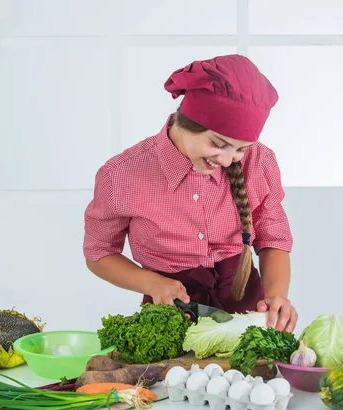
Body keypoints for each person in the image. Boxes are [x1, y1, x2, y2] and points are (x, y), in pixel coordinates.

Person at [84, 54, 297, 332]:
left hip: (249, 313)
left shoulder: (259, 162)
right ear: (187, 122)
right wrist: (151, 283)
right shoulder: (123, 175)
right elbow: (98, 252)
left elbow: (273, 237)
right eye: (218, 144)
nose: (228, 160)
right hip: (170, 314)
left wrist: (277, 296)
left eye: (241, 148)